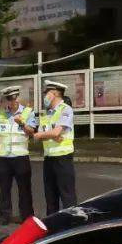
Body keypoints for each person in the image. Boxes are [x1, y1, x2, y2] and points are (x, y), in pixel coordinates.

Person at [0, 85, 36, 225]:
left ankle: (27, 216)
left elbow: (32, 132)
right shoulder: (0, 114)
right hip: (3, 158)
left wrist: (21, 123)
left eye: (14, 98)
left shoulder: (28, 113)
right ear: (6, 101)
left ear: (18, 98)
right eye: (9, 99)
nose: (12, 102)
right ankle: (4, 215)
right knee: (4, 189)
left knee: (24, 189)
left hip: (21, 156)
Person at [33, 79, 77, 213]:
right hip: (49, 159)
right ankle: (52, 227)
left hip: (63, 159)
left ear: (54, 93)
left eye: (47, 93)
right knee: (50, 197)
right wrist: (49, 134)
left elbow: (55, 132)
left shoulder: (66, 109)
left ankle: (72, 225)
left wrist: (43, 135)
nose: (45, 96)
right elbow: (50, 133)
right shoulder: (46, 114)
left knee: (67, 197)